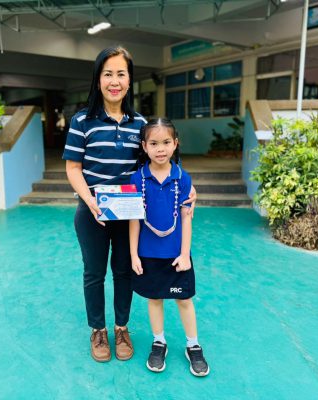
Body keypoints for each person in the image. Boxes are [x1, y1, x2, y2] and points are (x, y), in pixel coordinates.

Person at [62, 46, 197, 363]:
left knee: (124, 271)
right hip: (92, 212)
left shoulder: (140, 123)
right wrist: (90, 201)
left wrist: (188, 189)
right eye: (108, 74)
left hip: (129, 212)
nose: (114, 81)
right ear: (98, 79)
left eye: (121, 74)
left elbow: (159, 160)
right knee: (94, 273)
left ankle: (121, 328)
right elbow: (73, 168)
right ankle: (98, 330)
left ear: (129, 79)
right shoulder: (82, 121)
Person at [129, 118, 209, 377]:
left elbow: (186, 217)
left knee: (184, 299)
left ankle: (193, 345)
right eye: (153, 143)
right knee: (154, 298)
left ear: (175, 144)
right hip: (148, 253)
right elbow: (134, 220)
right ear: (144, 146)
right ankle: (159, 341)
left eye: (166, 142)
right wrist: (134, 254)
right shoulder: (136, 179)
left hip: (176, 255)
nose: (160, 149)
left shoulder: (183, 179)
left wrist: (185, 254)